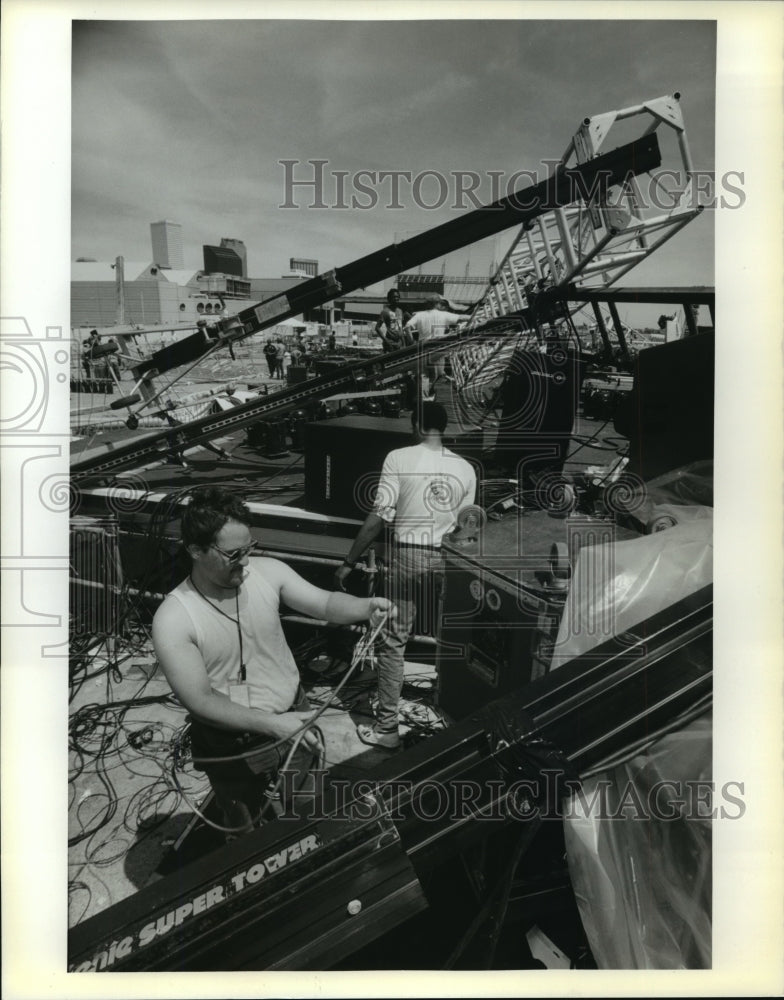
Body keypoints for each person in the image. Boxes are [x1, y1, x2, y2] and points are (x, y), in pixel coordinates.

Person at [152, 486, 393, 835]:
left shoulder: (268, 572)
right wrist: (275, 724)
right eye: (233, 554)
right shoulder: (174, 618)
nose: (246, 562)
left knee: (310, 818)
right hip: (234, 741)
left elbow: (324, 603)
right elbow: (200, 701)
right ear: (195, 549)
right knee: (248, 839)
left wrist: (365, 607)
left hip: (294, 716)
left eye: (249, 549)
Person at [334, 402, 476, 749]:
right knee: (452, 640)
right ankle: (454, 721)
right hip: (448, 558)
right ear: (444, 427)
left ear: (416, 424)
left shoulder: (398, 458)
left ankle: (386, 729)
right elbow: (466, 528)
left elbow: (379, 515)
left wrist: (350, 561)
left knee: (394, 642)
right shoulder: (467, 469)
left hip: (408, 556)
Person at [404, 295, 466, 383]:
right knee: (436, 376)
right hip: (438, 349)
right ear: (437, 304)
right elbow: (461, 318)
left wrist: (412, 342)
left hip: (423, 348)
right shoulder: (443, 315)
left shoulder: (420, 315)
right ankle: (430, 393)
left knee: (424, 377)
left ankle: (425, 394)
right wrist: (475, 317)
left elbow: (407, 327)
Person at [375, 288, 411, 353]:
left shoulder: (400, 311)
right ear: (389, 299)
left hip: (399, 344)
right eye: (394, 297)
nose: (396, 298)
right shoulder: (385, 311)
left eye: (397, 297)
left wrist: (404, 344)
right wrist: (385, 340)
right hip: (390, 344)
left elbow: (400, 328)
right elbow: (377, 328)